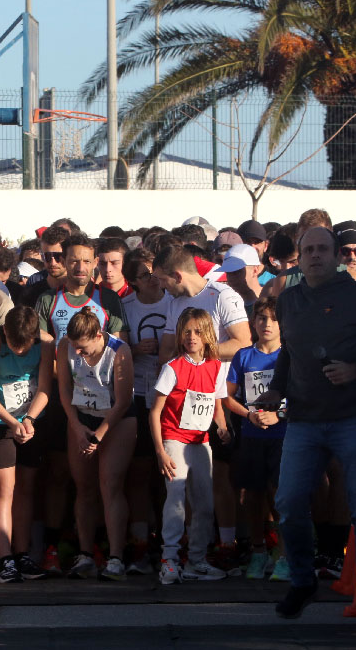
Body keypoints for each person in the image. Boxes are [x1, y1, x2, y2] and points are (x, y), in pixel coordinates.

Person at [256, 226, 356, 621]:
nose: (316, 255)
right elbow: (288, 351)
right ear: (299, 256)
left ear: (338, 255)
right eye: (309, 250)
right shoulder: (288, 300)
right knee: (288, 503)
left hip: (355, 417)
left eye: (324, 249)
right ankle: (304, 581)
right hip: (305, 419)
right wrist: (276, 389)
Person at [34, 233, 127, 575]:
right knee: (61, 476)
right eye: (74, 260)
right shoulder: (48, 300)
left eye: (88, 261)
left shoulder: (109, 300)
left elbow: (122, 348)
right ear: (64, 260)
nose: (81, 267)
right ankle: (57, 546)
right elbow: (44, 350)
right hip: (63, 400)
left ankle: (106, 548)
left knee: (108, 480)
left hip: (105, 401)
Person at [150, 308, 230, 584]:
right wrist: (160, 450)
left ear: (207, 335)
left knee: (205, 503)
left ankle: (197, 559)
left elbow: (216, 405)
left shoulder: (217, 367)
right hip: (174, 439)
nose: (192, 337)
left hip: (201, 442)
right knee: (176, 498)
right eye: (186, 332)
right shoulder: (172, 368)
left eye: (197, 332)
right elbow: (154, 411)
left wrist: (222, 427)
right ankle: (169, 559)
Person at [56, 309, 137, 580]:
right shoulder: (66, 347)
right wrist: (77, 427)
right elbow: (65, 390)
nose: (78, 353)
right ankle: (85, 553)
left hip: (116, 419)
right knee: (84, 486)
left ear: (98, 336)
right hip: (82, 415)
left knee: (110, 483)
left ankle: (115, 557)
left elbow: (124, 400)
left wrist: (99, 434)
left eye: (84, 349)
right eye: (75, 347)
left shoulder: (119, 351)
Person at [0, 306, 53, 582]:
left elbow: (45, 387)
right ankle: (5, 557)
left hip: (31, 421)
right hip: (0, 422)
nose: (20, 351)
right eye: (14, 345)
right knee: (3, 490)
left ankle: (22, 554)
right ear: (5, 332)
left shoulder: (45, 344)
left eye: (25, 345)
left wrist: (29, 419)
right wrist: (11, 421)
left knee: (26, 489)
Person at [223, 295, 289, 582]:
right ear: (253, 321)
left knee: (281, 497)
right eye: (262, 318)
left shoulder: (289, 355)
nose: (268, 324)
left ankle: (285, 556)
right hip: (251, 435)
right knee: (252, 495)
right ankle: (259, 552)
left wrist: (279, 415)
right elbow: (227, 395)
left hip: (283, 435)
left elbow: (302, 394)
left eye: (274, 319)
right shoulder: (244, 355)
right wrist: (249, 415)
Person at [120, 248, 173, 574]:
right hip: (139, 393)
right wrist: (135, 349)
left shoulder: (174, 301)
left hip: (172, 397)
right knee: (140, 474)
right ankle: (140, 544)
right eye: (144, 274)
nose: (153, 278)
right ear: (133, 282)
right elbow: (117, 347)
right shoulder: (126, 307)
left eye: (155, 271)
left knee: (172, 475)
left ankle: (174, 545)